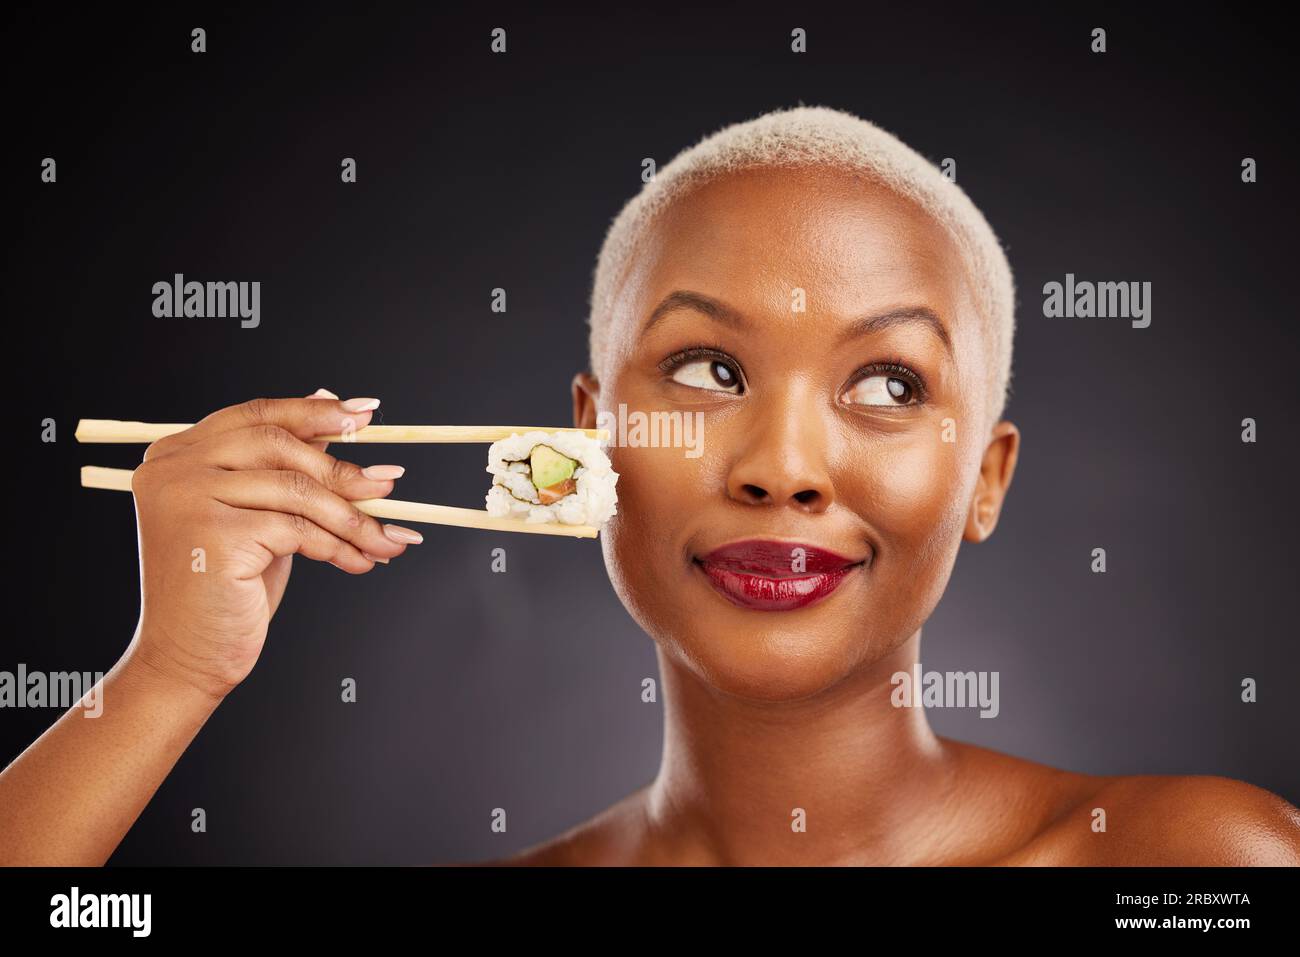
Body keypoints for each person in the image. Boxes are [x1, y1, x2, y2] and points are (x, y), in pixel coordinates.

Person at [2, 106, 1296, 866]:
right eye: (706, 366)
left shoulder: (1184, 862)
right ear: (590, 433)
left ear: (987, 474)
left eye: (889, 383)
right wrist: (167, 673)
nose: (783, 468)